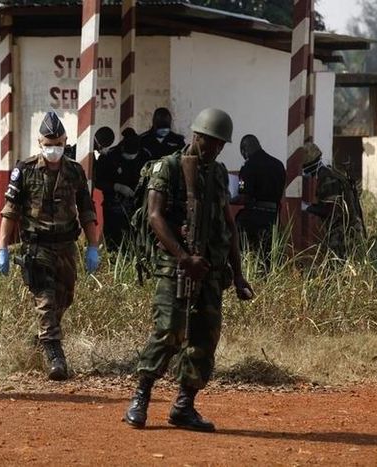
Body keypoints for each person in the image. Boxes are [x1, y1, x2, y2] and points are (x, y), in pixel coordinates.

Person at [124, 108, 253, 432]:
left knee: (204, 337)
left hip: (209, 267)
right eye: (209, 142)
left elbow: (228, 224)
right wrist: (184, 257)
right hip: (175, 265)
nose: (213, 149)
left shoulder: (219, 173)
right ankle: (141, 397)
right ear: (196, 136)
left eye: (220, 145)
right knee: (169, 331)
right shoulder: (166, 168)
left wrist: (238, 275)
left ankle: (184, 405)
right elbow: (155, 217)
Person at [0, 110, 100, 381]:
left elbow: (87, 210)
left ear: (65, 142)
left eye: (59, 144)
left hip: (66, 246)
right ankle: (56, 358)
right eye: (49, 144)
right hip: (37, 247)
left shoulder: (75, 171)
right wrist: (2, 248)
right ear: (40, 143)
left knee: (64, 300)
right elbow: (10, 211)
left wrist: (93, 246)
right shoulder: (25, 170)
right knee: (45, 299)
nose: (54, 149)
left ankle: (40, 340)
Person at [301, 142, 364, 259]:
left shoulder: (327, 179)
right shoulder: (330, 174)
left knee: (337, 265)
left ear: (310, 164)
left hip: (342, 232)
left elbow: (331, 210)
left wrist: (308, 208)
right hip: (348, 229)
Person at [231, 134, 286, 263]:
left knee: (248, 256)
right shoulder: (278, 164)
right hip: (273, 218)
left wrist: (229, 199)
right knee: (270, 259)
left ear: (244, 150)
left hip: (254, 220)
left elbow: (244, 197)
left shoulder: (248, 167)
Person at [95, 128, 151, 251]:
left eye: (133, 155)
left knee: (134, 242)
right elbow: (98, 181)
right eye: (128, 155)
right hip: (114, 208)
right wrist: (116, 187)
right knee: (113, 243)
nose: (130, 157)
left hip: (137, 208)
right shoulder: (110, 156)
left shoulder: (145, 156)